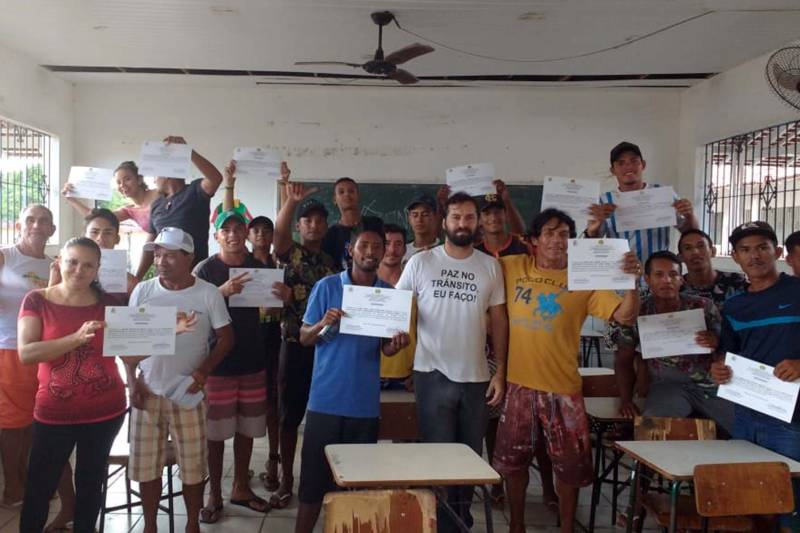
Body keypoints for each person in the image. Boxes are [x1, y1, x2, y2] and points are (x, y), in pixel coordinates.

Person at [493, 208, 640, 533]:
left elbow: (625, 316)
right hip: (518, 386)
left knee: (570, 468)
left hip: (564, 390)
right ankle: (516, 524)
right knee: (512, 464)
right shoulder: (511, 266)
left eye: (564, 234)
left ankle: (566, 527)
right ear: (533, 240)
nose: (556, 240)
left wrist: (632, 283)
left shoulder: (583, 280)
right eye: (549, 232)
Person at [396, 192, 507, 532]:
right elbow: (395, 307)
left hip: (475, 377)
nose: (463, 223)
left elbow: (499, 320)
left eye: (469, 217)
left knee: (469, 459)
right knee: (438, 458)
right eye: (456, 217)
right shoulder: (420, 263)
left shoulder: (490, 265)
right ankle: (441, 523)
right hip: (431, 375)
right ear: (444, 221)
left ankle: (462, 523)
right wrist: (391, 337)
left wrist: (500, 370)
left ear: (477, 223)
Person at [295, 223, 410, 533]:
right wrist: (321, 323)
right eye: (364, 246)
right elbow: (304, 338)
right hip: (325, 402)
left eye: (377, 247)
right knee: (312, 484)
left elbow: (385, 349)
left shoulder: (389, 296)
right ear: (351, 250)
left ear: (385, 252)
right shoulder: (327, 287)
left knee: (357, 486)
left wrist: (395, 344)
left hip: (364, 406)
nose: (371, 252)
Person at [126, 227, 234, 533]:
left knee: (192, 467)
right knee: (147, 467)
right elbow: (129, 343)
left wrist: (204, 371)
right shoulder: (143, 292)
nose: (161, 260)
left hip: (188, 391)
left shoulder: (207, 293)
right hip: (147, 392)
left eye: (170, 254)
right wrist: (133, 383)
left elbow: (226, 338)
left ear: (190, 257)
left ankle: (191, 525)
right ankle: (149, 526)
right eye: (158, 253)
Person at [16, 237, 127, 532]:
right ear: (60, 262)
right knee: (39, 487)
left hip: (106, 411)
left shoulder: (109, 304)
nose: (79, 270)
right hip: (53, 413)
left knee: (91, 485)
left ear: (98, 269)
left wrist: (170, 335)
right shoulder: (37, 300)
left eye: (88, 265)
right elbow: (27, 353)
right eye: (72, 262)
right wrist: (75, 339)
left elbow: (131, 351)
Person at [194, 206, 291, 523]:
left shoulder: (258, 264)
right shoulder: (205, 270)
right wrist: (221, 293)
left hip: (253, 357)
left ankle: (240, 488)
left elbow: (270, 307)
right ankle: (215, 495)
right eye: (227, 230)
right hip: (218, 362)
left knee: (246, 428)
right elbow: (192, 313)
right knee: (216, 431)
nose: (234, 235)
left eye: (239, 229)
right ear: (217, 235)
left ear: (246, 234)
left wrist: (282, 296)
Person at [711, 221, 800, 533]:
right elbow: (727, 353)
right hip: (747, 415)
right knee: (753, 498)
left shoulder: (798, 290)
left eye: (762, 247)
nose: (755, 256)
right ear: (734, 257)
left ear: (776, 252)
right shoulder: (735, 305)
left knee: (791, 501)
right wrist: (719, 368)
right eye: (745, 250)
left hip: (792, 419)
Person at [613, 251, 734, 434]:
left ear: (681, 279)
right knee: (652, 432)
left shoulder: (703, 306)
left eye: (673, 274)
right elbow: (623, 360)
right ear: (647, 279)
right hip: (667, 388)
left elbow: (727, 349)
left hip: (710, 386)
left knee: (743, 430)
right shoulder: (638, 311)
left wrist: (715, 341)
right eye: (659, 275)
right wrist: (626, 400)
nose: (667, 280)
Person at [270, 181, 336, 508]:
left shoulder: (331, 262)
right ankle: (286, 481)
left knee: (323, 416)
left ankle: (325, 478)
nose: (314, 225)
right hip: (294, 345)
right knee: (288, 417)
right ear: (300, 226)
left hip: (326, 350)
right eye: (307, 221)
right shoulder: (290, 253)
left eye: (319, 221)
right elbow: (278, 235)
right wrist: (291, 202)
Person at [473, 190, 532, 505]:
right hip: (483, 345)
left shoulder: (521, 249)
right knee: (489, 414)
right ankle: (490, 476)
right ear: (479, 220)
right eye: (487, 213)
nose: (493, 218)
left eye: (498, 212)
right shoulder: (474, 251)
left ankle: (506, 476)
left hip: (521, 340)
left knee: (513, 417)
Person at [0, 204, 55, 507]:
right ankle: (12, 488)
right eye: (30, 220)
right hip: (8, 348)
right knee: (12, 422)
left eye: (43, 220)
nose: (36, 225)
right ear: (20, 225)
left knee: (33, 420)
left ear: (52, 230)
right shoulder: (5, 256)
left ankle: (27, 479)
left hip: (42, 351)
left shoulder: (54, 265)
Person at [584, 141, 699, 261]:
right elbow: (592, 244)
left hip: (659, 274)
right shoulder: (604, 201)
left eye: (634, 161)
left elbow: (691, 233)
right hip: (621, 273)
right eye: (621, 163)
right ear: (613, 170)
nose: (628, 167)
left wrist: (689, 215)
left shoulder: (663, 194)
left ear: (643, 165)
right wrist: (594, 227)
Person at [135, 136, 224, 279]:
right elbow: (150, 245)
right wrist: (137, 278)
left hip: (196, 278)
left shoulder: (194, 191)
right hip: (164, 279)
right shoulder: (157, 205)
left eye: (155, 174)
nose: (153, 180)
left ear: (167, 173)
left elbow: (216, 178)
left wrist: (188, 151)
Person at [62, 161, 160, 233]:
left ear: (139, 180)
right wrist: (72, 200)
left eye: (127, 179)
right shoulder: (129, 210)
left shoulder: (159, 193)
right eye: (118, 182)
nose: (122, 185)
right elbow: (96, 217)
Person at [377, 224, 415, 390]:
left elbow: (428, 332)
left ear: (405, 249)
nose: (392, 250)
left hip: (408, 376)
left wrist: (420, 371)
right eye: (386, 243)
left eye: (398, 244)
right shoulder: (363, 286)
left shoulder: (417, 285)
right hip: (370, 374)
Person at [321, 177, 382, 270]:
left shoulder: (375, 224)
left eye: (351, 191)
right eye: (341, 192)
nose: (347, 195)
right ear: (334, 199)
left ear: (358, 196)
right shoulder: (331, 234)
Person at [677, 229, 746, 309]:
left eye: (701, 246)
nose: (695, 252)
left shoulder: (735, 281)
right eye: (688, 248)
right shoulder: (677, 288)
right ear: (680, 257)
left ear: (713, 251)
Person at [403, 194, 441, 265]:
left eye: (425, 215)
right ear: (409, 218)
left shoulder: (444, 249)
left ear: (435, 217)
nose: (419, 220)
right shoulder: (401, 250)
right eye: (415, 215)